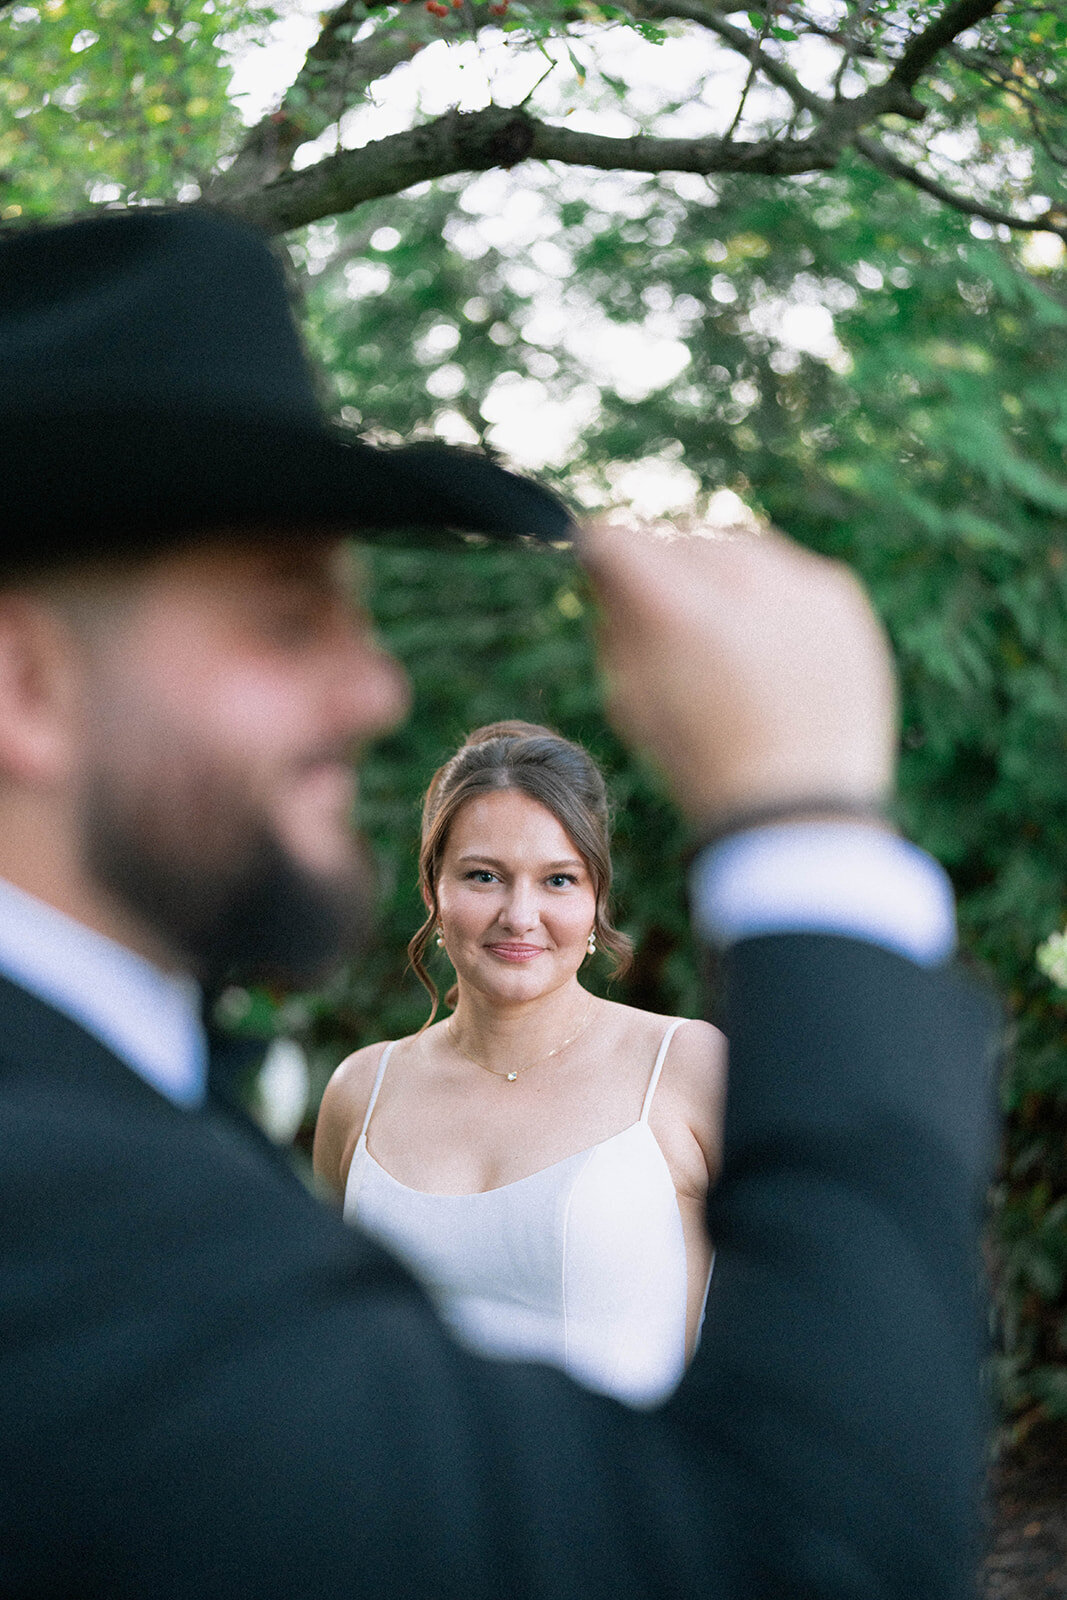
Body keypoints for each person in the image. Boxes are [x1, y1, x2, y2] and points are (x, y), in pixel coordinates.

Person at [0, 204, 996, 1600]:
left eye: (554, 879)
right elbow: (803, 1562)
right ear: (25, 685)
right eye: (289, 617)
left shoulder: (121, 1114)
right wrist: (808, 834)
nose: (377, 690)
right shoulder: (59, 1208)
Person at [314, 720, 725, 1405]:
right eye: (483, 876)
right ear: (432, 891)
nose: (519, 914)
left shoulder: (685, 1068)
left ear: (596, 898)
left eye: (557, 880)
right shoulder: (361, 1090)